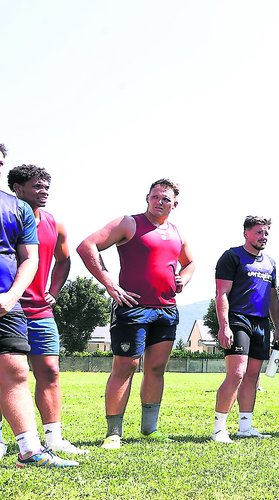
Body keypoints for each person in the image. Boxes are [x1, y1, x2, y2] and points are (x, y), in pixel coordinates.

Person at [77, 179, 195, 450]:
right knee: (126, 367)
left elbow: (191, 263)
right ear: (147, 198)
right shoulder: (129, 223)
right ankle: (113, 433)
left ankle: (149, 429)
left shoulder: (177, 232)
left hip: (166, 310)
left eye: (165, 198)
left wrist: (183, 278)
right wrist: (109, 283)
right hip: (132, 308)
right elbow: (87, 246)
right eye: (154, 196)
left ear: (175, 203)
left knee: (155, 369)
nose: (159, 201)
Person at [0, 144, 77, 467]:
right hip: (14, 304)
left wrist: (19, 295)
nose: (44, 191)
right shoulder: (17, 207)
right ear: (18, 186)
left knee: (27, 370)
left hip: (14, 306)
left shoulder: (30, 215)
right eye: (37, 186)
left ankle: (39, 444)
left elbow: (42, 259)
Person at [212, 216, 279, 443]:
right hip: (238, 319)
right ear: (246, 233)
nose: (263, 237)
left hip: (261, 324)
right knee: (237, 374)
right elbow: (221, 293)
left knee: (252, 376)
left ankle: (245, 427)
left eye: (266, 233)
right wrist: (224, 326)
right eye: (259, 232)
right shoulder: (232, 256)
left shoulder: (270, 263)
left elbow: (273, 298)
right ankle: (219, 429)